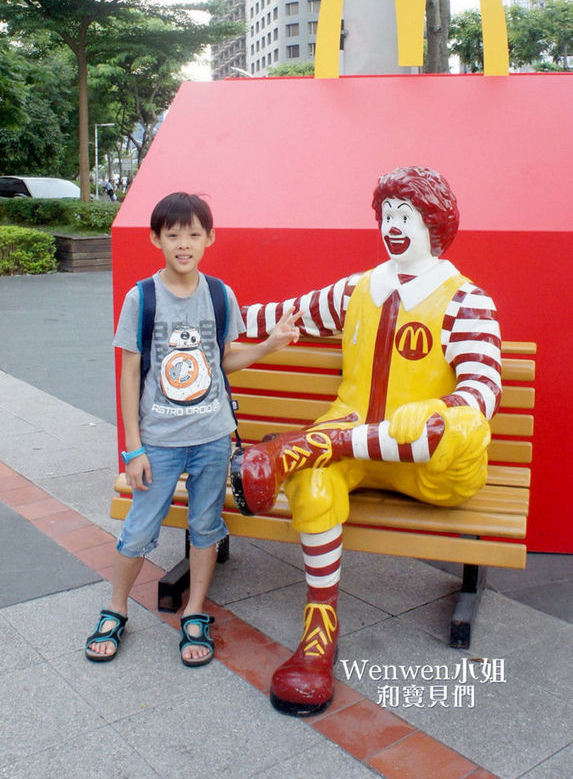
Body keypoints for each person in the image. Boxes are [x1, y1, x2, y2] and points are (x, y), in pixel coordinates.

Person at [232, 166, 502, 715]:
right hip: (349, 434)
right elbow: (286, 315)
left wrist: (442, 412)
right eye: (386, 216)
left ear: (435, 224)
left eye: (406, 216)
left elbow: (481, 389)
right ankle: (318, 633)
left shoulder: (466, 301)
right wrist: (201, 315)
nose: (393, 226)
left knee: (447, 428)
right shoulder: (360, 289)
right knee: (314, 480)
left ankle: (287, 449)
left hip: (426, 458)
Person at [85, 191, 300, 667]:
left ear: (209, 238)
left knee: (206, 526)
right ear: (156, 238)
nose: (184, 243)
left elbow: (225, 361)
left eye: (194, 234)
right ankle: (115, 607)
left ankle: (195, 610)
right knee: (138, 530)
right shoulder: (141, 298)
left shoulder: (220, 295)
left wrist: (268, 345)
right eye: (173, 234)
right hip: (159, 443)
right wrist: (132, 449)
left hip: (212, 438)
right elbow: (128, 374)